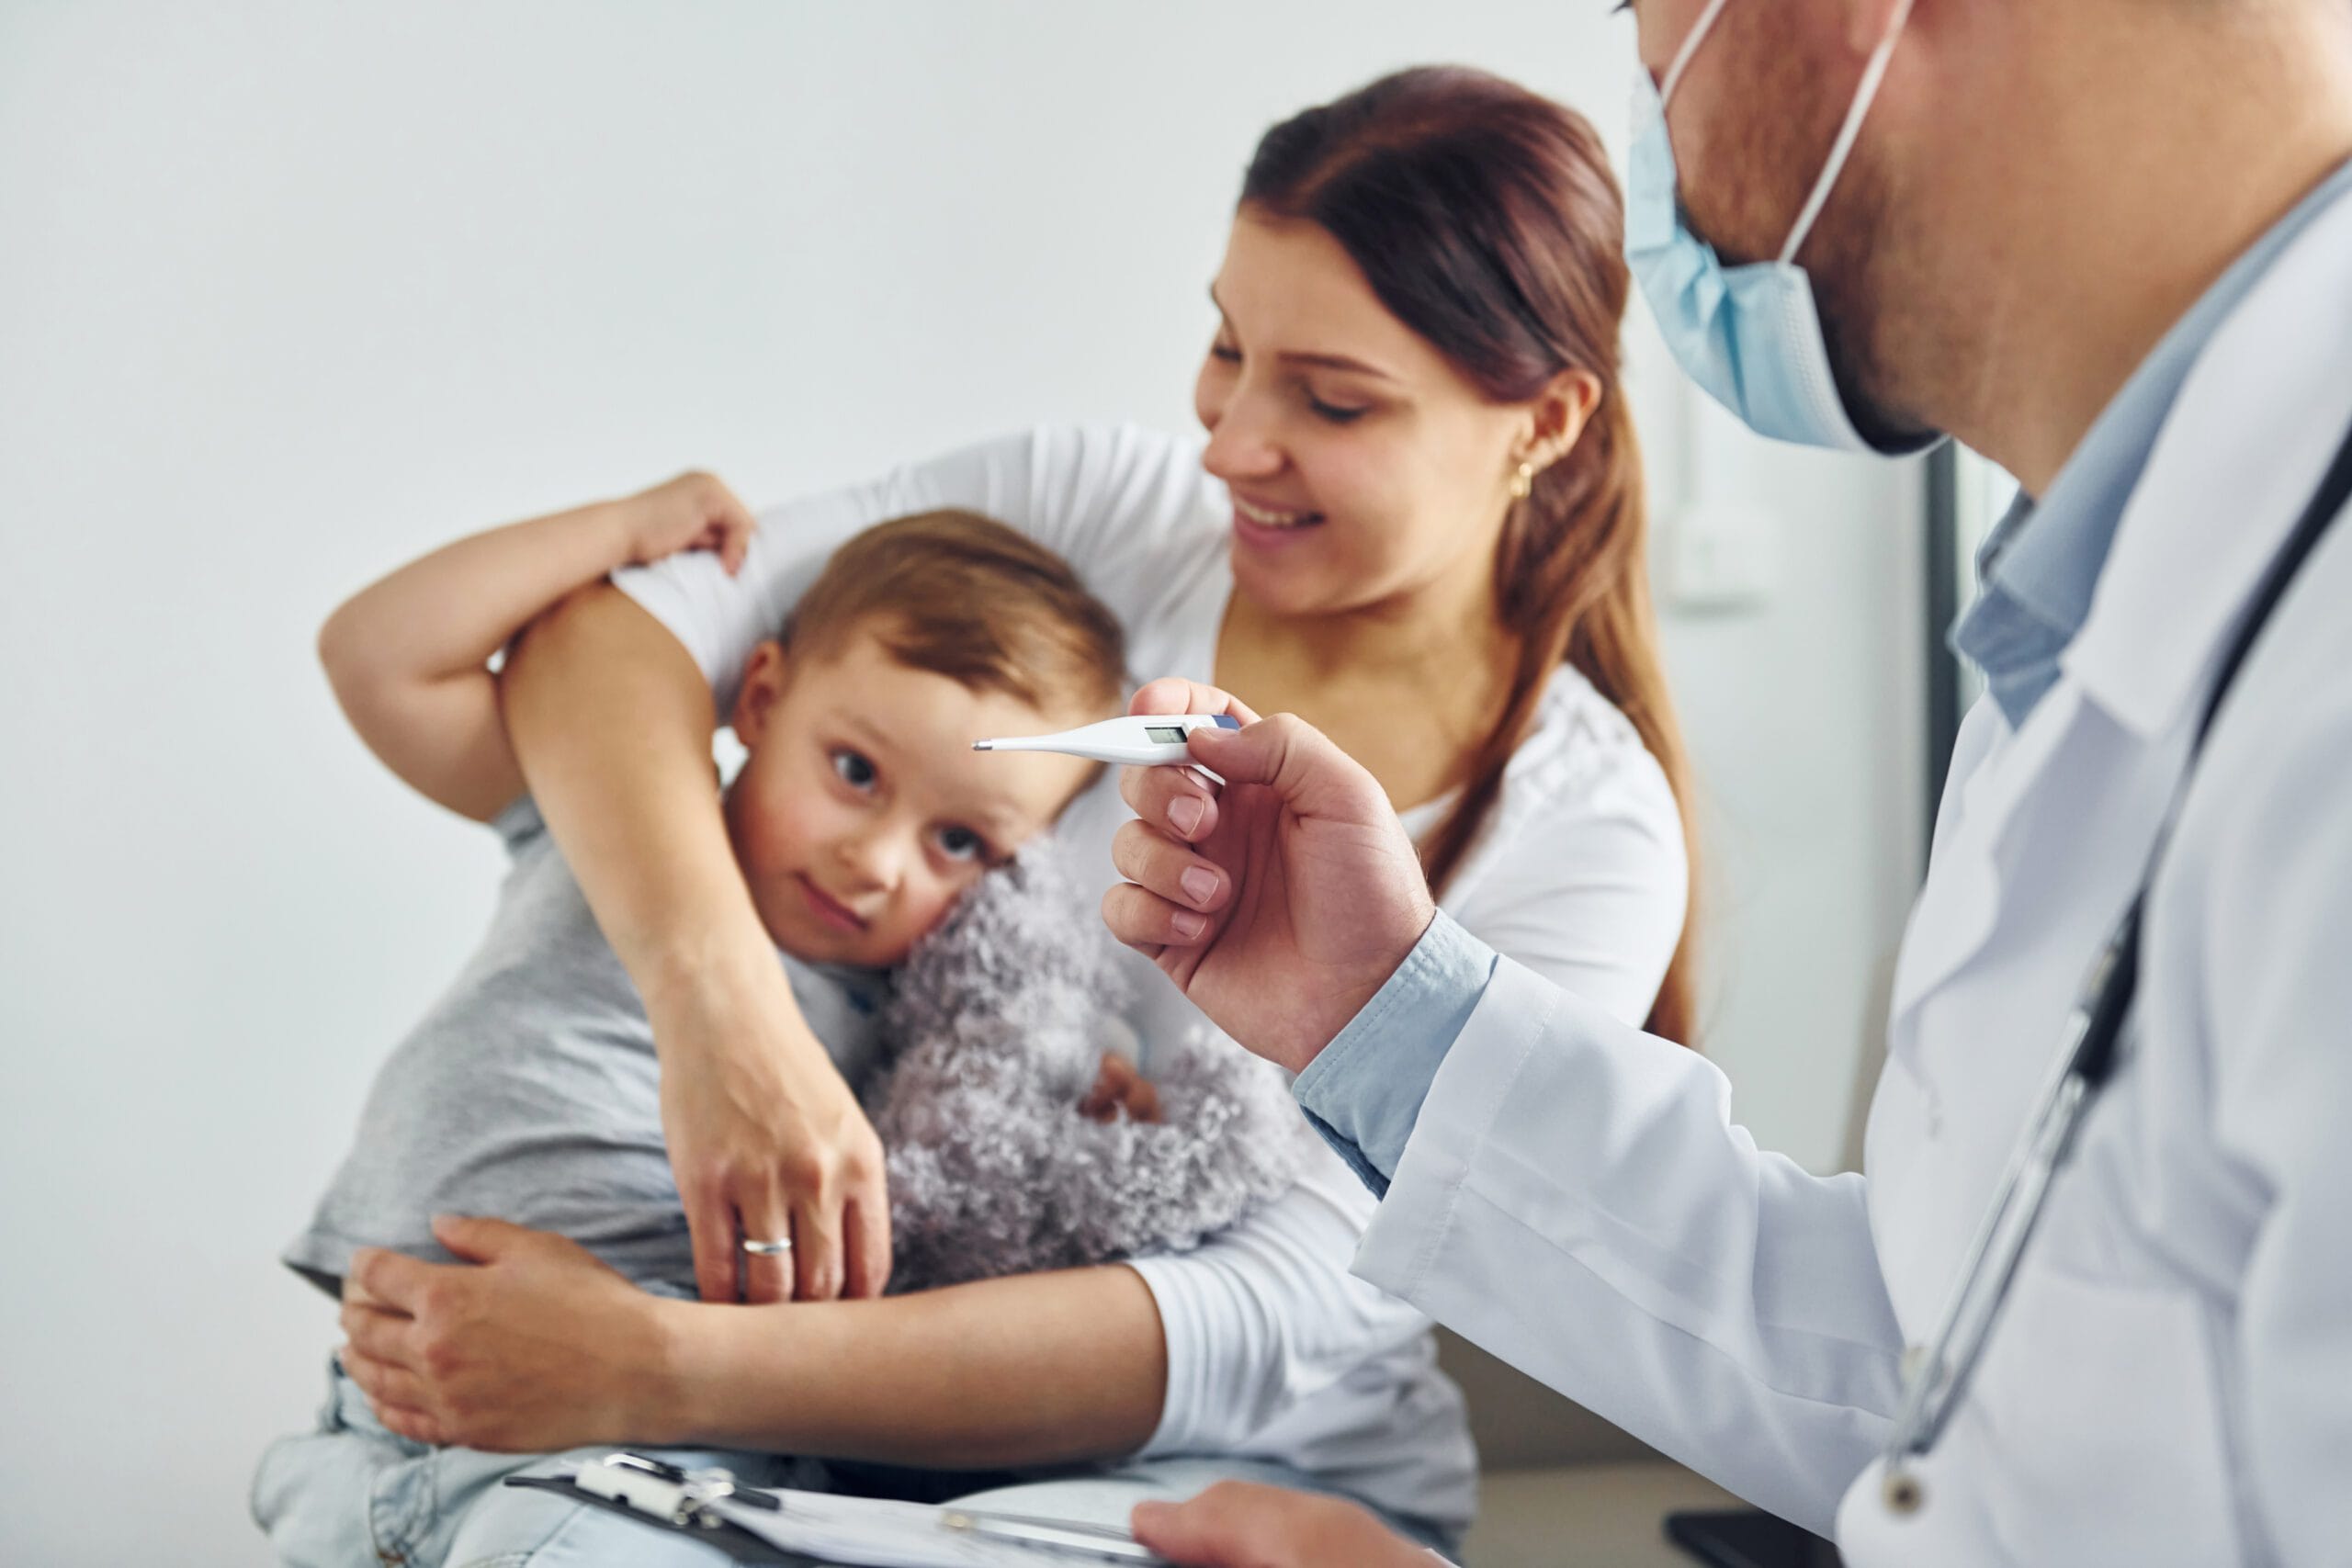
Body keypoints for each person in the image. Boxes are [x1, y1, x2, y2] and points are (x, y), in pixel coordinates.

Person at [327, 66, 1699, 1549]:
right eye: (1227, 347)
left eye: (1333, 399)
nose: (1231, 440)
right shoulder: (1095, 515)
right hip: (823, 1407)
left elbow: (1278, 1306)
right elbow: (613, 642)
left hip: (1220, 1471)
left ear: (1544, 421)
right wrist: (728, 1022)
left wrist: (658, 1366)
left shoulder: (1584, 840)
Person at [1101, 0, 2352, 1562]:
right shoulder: (2098, 600)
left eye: (1641, 17)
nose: (1645, 98)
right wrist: (1387, 1015)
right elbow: (1936, 1362)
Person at [254, 476, 1130, 1566]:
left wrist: (1082, 1109)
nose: (877, 860)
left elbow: (966, 1224)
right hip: (368, 1435)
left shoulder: (913, 1025)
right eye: (854, 771)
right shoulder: (611, 821)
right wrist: (620, 532)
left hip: (644, 1468)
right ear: (758, 697)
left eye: (960, 844)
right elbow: (377, 656)